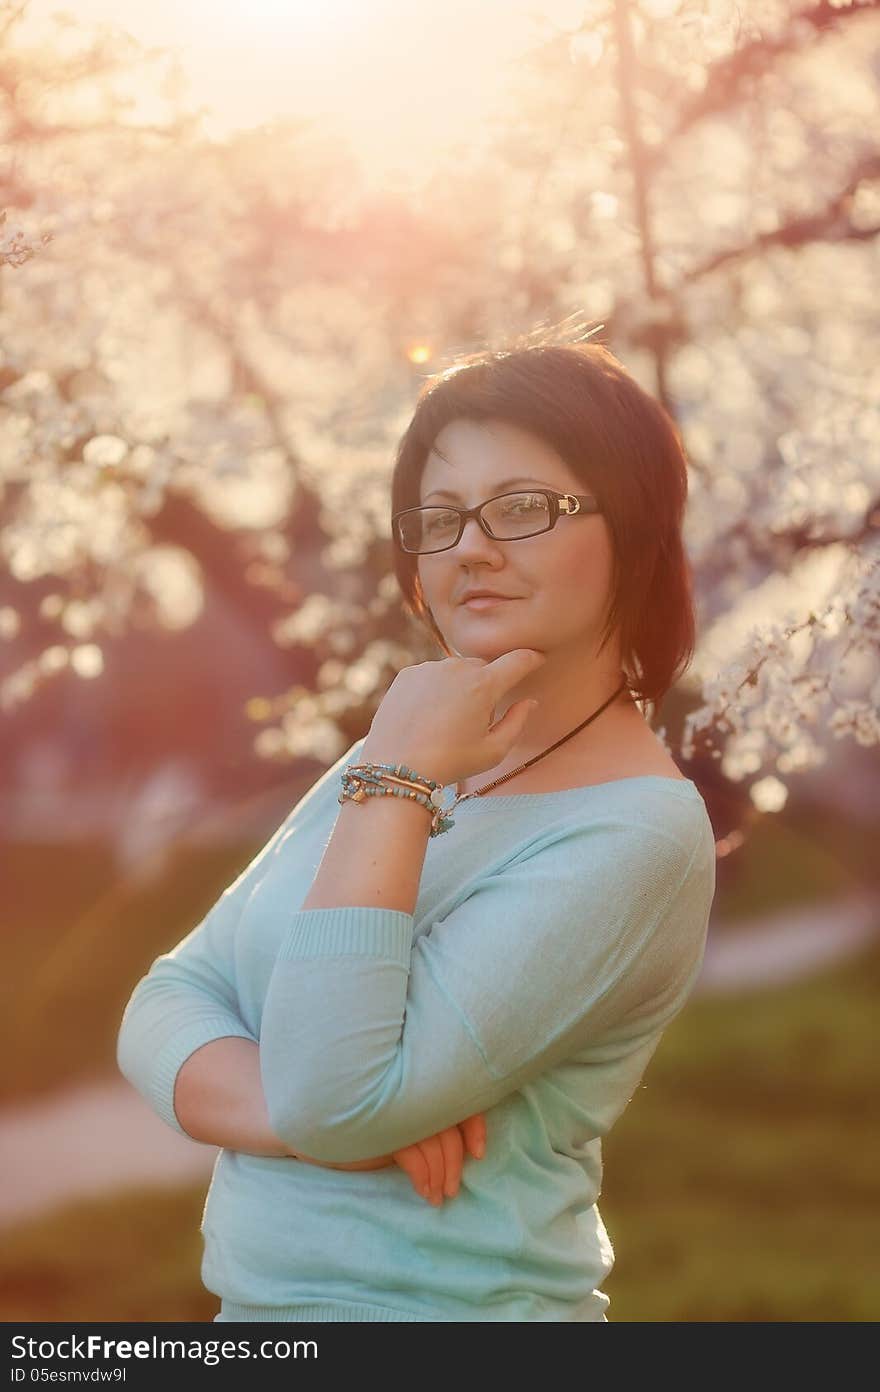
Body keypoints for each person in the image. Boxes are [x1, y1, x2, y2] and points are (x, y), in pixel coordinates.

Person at [116, 335, 717, 1323]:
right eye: (438, 519)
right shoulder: (395, 755)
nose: (469, 548)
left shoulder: (632, 831)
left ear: (636, 525)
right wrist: (299, 1118)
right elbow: (166, 1001)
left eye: (523, 509)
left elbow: (335, 1098)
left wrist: (396, 779)